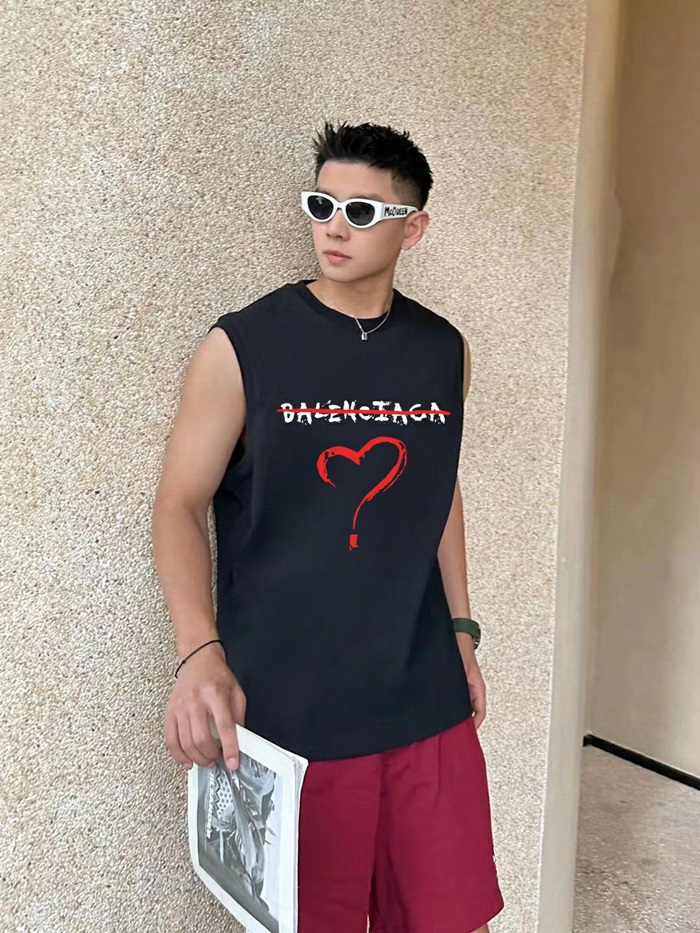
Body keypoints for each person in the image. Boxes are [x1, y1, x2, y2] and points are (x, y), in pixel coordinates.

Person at [152, 119, 505, 933]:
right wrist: (198, 653)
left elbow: (436, 484)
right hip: (290, 712)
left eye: (363, 211)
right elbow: (177, 504)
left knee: (454, 920)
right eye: (322, 205)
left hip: (422, 695)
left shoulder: (443, 351)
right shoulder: (243, 346)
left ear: (413, 228)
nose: (335, 227)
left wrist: (461, 628)